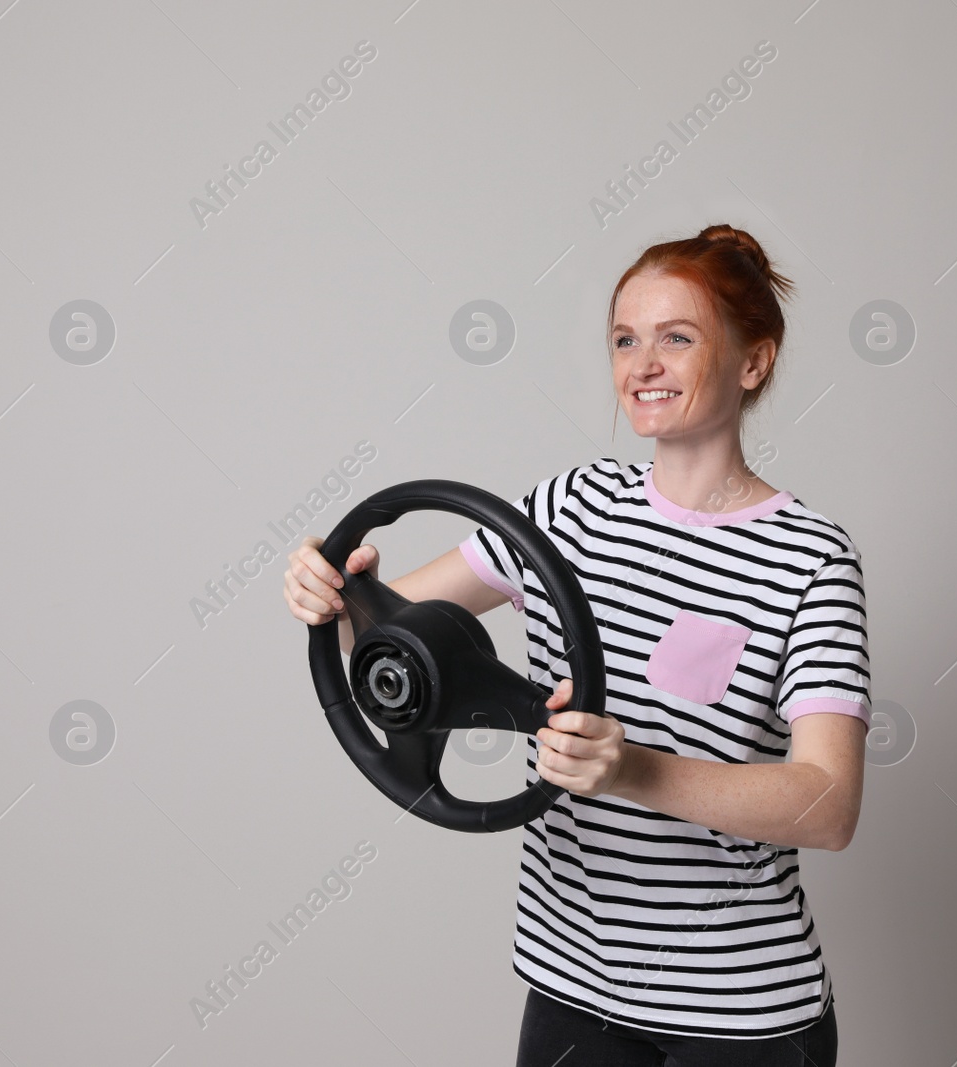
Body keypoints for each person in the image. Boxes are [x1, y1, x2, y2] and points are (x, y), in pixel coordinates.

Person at [284, 224, 870, 1066]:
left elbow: (829, 803)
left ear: (753, 362)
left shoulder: (812, 557)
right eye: (626, 339)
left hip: (744, 1018)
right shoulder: (571, 507)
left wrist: (634, 769)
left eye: (678, 337)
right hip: (572, 993)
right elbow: (396, 630)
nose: (642, 364)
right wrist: (335, 591)